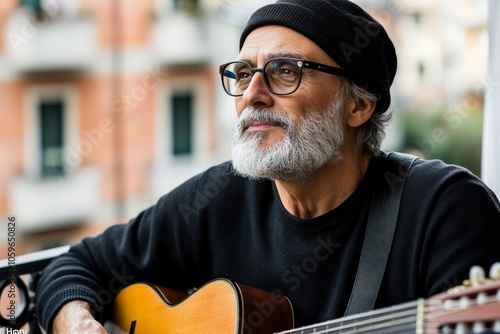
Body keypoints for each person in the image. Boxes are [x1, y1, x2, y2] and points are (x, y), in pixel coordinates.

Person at [36, 0, 500, 333]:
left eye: (284, 71)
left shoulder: (445, 210)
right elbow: (78, 265)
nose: (253, 94)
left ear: (358, 106)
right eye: (242, 73)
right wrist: (78, 324)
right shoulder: (218, 197)